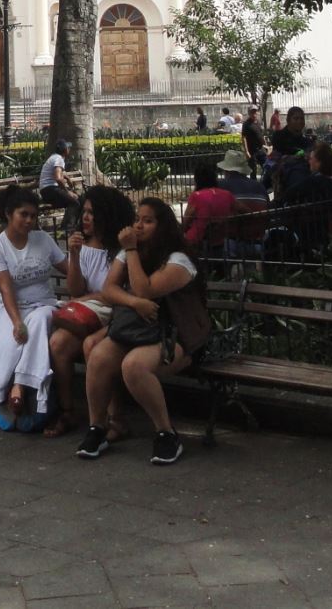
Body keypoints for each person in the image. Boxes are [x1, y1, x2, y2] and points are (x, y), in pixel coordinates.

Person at [77, 198, 210, 466]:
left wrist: (131, 251)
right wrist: (133, 303)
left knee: (134, 366)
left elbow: (145, 289)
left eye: (147, 221)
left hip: (175, 334)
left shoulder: (178, 260)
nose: (138, 225)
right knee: (99, 356)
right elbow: (109, 289)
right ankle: (97, 427)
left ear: (163, 226)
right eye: (137, 219)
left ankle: (166, 433)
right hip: (137, 330)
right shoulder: (131, 252)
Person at [0, 185, 68, 431]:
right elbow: (6, 289)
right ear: (8, 214)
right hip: (9, 307)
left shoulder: (43, 240)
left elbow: (68, 268)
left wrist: (78, 256)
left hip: (43, 305)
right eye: (23, 214)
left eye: (33, 216)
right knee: (6, 344)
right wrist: (16, 322)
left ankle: (20, 385)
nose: (29, 221)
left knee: (39, 320)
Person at [43, 186, 132, 439]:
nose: (85, 217)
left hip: (115, 315)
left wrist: (85, 298)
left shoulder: (121, 250)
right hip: (89, 315)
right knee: (58, 343)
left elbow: (113, 294)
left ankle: (115, 418)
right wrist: (74, 254)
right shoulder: (84, 245)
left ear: (107, 214)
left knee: (93, 347)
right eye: (84, 211)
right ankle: (68, 410)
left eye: (92, 212)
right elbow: (75, 289)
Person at [181, 161, 237, 251]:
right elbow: (246, 211)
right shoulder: (227, 194)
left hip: (196, 242)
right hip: (219, 241)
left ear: (197, 179)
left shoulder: (196, 196)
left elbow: (186, 221)